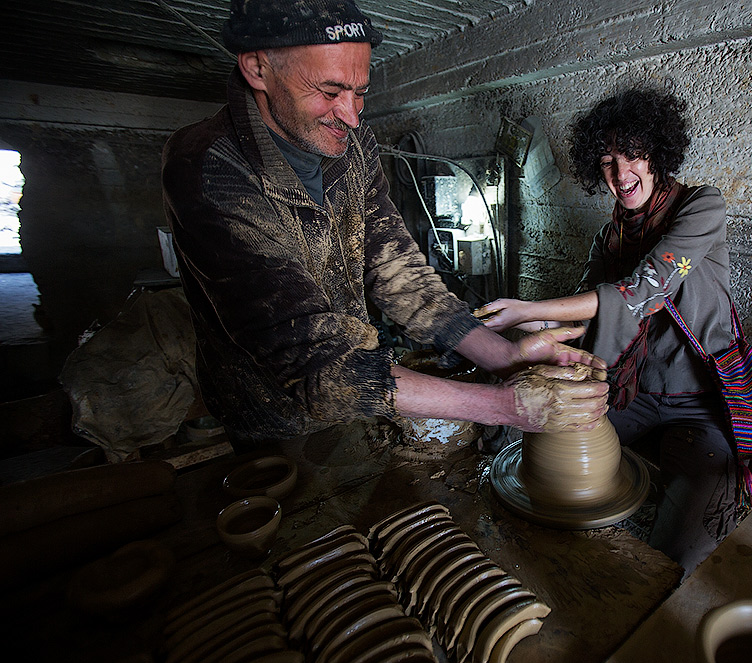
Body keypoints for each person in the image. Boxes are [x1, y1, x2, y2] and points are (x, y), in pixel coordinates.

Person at [160, 0, 608, 451]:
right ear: (258, 68)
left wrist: (506, 356)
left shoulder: (353, 147)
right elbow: (311, 362)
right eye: (330, 91)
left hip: (363, 392)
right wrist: (502, 406)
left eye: (359, 92)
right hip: (273, 417)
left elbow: (398, 273)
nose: (351, 116)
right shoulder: (208, 167)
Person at [475, 86, 742, 577]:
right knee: (528, 451)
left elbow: (644, 288)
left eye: (633, 154)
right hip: (630, 392)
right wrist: (520, 325)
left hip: (698, 401)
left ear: (657, 152)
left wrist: (528, 307)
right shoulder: (610, 235)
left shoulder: (702, 208)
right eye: (606, 162)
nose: (621, 175)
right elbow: (581, 320)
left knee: (678, 556)